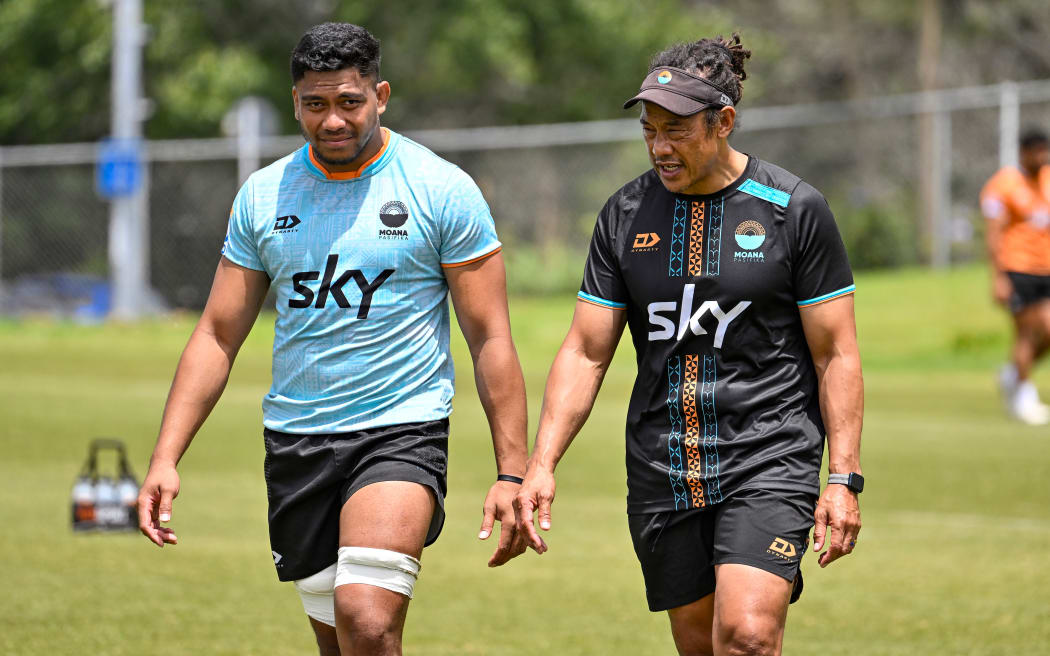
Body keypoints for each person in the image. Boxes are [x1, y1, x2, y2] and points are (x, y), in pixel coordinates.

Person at [136, 22, 531, 656]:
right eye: (315, 104)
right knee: (340, 641)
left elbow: (489, 336)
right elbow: (216, 335)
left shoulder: (440, 189)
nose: (333, 120)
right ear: (296, 102)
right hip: (298, 442)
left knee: (368, 621)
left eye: (349, 102)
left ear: (381, 95)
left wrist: (512, 471)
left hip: (402, 430)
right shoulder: (264, 196)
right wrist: (165, 457)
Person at [515, 35, 864, 656]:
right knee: (700, 644)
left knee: (749, 636)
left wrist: (842, 478)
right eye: (649, 130)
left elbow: (836, 353)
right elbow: (586, 351)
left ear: (723, 121)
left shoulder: (794, 209)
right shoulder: (624, 213)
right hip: (662, 463)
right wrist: (542, 462)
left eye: (676, 130)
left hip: (769, 452)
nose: (659, 147)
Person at [981, 129, 1050, 425]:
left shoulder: (1048, 180)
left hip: (1046, 268)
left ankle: (1013, 375)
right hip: (1017, 269)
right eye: (1036, 152)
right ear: (1023, 153)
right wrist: (998, 277)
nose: (1042, 157)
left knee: (1047, 332)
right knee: (1027, 333)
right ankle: (1023, 395)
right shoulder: (1004, 184)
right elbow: (994, 232)